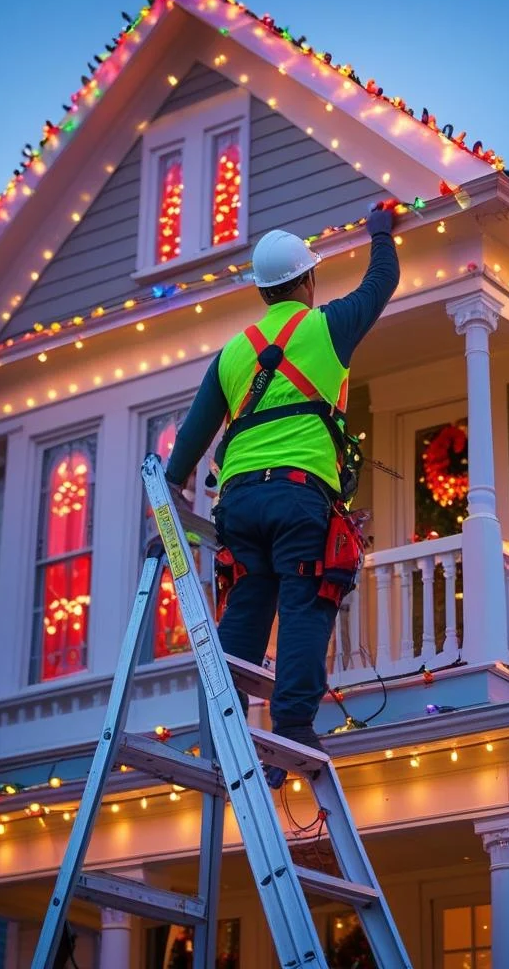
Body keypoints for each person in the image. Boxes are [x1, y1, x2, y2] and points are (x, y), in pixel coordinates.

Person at [164, 202, 399, 782]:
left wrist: (169, 492)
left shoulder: (233, 353)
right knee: (306, 600)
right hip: (299, 494)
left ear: (263, 290)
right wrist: (381, 232)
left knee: (247, 603)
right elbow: (381, 282)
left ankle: (225, 723)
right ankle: (292, 727)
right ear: (308, 280)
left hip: (239, 500)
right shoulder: (327, 327)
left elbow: (191, 438)